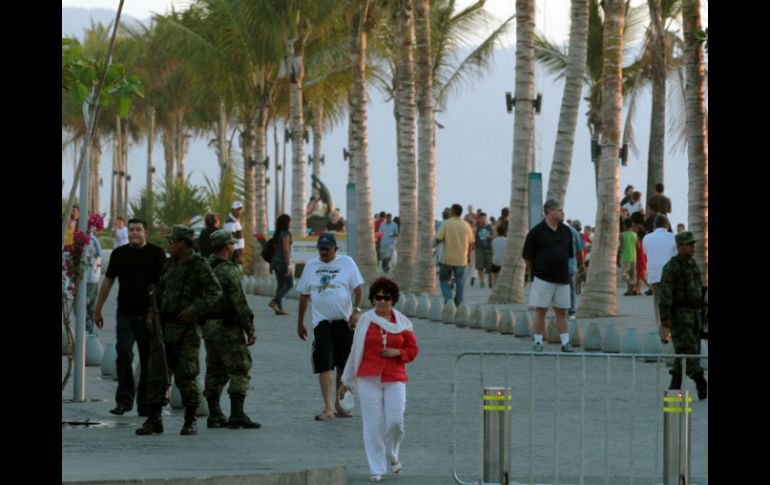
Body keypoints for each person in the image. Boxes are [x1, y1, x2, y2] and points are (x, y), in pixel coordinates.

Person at [136, 225, 223, 436]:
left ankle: (190, 419)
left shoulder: (199, 265)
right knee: (156, 374)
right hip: (163, 328)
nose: (169, 245)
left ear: (183, 243)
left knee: (187, 375)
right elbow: (159, 292)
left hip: (186, 331)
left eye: (172, 241)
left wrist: (193, 311)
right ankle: (154, 419)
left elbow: (215, 292)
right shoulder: (170, 264)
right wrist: (151, 313)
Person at [338, 277, 419, 482]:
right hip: (368, 377)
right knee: (373, 424)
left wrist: (398, 353)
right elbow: (354, 352)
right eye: (378, 297)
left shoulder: (403, 323)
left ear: (393, 300)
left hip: (395, 377)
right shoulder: (365, 320)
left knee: (395, 422)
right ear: (373, 300)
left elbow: (412, 350)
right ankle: (377, 467)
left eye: (387, 297)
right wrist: (345, 381)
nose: (382, 301)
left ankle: (392, 455)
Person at [94, 218, 167, 417]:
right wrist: (98, 308)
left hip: (148, 316)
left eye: (138, 230)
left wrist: (156, 313)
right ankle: (124, 401)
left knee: (147, 360)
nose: (134, 233)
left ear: (146, 233)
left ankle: (144, 403)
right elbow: (108, 281)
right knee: (124, 353)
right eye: (131, 230)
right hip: (125, 312)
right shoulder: (119, 254)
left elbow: (163, 285)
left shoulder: (156, 254)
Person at [296, 232, 365, 421]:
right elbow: (303, 295)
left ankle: (340, 404)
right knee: (324, 363)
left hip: (344, 322)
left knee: (343, 364)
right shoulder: (311, 265)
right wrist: (300, 322)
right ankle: (328, 408)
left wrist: (356, 311)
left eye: (327, 249)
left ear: (336, 249)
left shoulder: (347, 263)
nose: (323, 253)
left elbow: (359, 290)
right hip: (322, 322)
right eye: (321, 249)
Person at [202, 229, 260, 429]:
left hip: (208, 327)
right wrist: (249, 328)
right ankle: (237, 413)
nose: (233, 246)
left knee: (214, 370)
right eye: (232, 243)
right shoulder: (229, 270)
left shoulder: (205, 266)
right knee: (240, 367)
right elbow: (239, 303)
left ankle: (214, 414)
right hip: (227, 327)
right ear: (227, 246)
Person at [658, 231, 707, 400]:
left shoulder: (692, 265)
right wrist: (665, 317)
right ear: (680, 246)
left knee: (684, 354)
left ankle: (674, 387)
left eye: (693, 244)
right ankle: (701, 382)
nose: (693, 247)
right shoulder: (672, 267)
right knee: (689, 352)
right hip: (680, 316)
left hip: (695, 316)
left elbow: (700, 291)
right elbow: (665, 293)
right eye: (689, 244)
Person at [522, 199, 575, 352]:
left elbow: (569, 253)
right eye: (559, 210)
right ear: (549, 212)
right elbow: (527, 256)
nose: (562, 213)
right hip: (543, 278)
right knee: (541, 311)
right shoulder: (536, 232)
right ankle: (538, 342)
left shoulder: (566, 231)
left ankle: (565, 343)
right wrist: (536, 271)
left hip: (562, 279)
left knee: (562, 312)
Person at [643, 215, 677, 344]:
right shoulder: (673, 237)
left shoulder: (647, 238)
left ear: (654, 226)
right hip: (669, 275)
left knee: (658, 304)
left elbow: (646, 253)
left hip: (654, 275)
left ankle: (663, 334)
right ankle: (666, 333)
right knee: (671, 302)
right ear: (667, 226)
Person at [435, 204, 475, 306]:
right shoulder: (466, 225)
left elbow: (438, 238)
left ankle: (448, 300)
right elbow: (471, 243)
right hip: (462, 259)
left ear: (452, 211)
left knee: (444, 280)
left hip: (447, 259)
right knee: (460, 282)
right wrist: (468, 257)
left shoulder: (446, 224)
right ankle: (458, 302)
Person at [269, 214, 293, 315]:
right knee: (289, 284)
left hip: (275, 261)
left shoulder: (277, 234)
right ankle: (274, 302)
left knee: (280, 285)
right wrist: (289, 266)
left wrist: (271, 265)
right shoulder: (286, 234)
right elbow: (286, 250)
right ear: (286, 223)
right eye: (289, 221)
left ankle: (279, 308)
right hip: (282, 263)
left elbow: (274, 250)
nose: (290, 223)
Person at [567, 220, 586, 317]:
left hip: (557, 267)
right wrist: (582, 264)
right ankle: (571, 311)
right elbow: (580, 251)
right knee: (571, 289)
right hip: (570, 266)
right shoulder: (574, 233)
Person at [474, 212, 494, 288]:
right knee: (480, 267)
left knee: (490, 267)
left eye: (485, 218)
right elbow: (473, 239)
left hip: (489, 249)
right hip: (479, 249)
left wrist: (490, 238)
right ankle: (482, 282)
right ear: (479, 219)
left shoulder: (491, 227)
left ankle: (490, 280)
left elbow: (494, 237)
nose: (483, 220)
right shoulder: (477, 228)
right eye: (481, 218)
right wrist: (474, 248)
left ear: (487, 218)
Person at [619, 218, 638, 296]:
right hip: (633, 256)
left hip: (625, 257)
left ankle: (631, 284)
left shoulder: (622, 234)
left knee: (624, 274)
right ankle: (630, 290)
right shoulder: (635, 234)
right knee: (632, 275)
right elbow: (638, 246)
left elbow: (621, 246)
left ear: (625, 225)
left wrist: (618, 250)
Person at [224, 201, 245, 267]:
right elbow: (230, 241)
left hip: (237, 255)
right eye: (237, 209)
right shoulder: (230, 222)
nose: (239, 212)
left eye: (240, 209)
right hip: (234, 257)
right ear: (232, 210)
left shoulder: (235, 221)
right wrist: (237, 257)